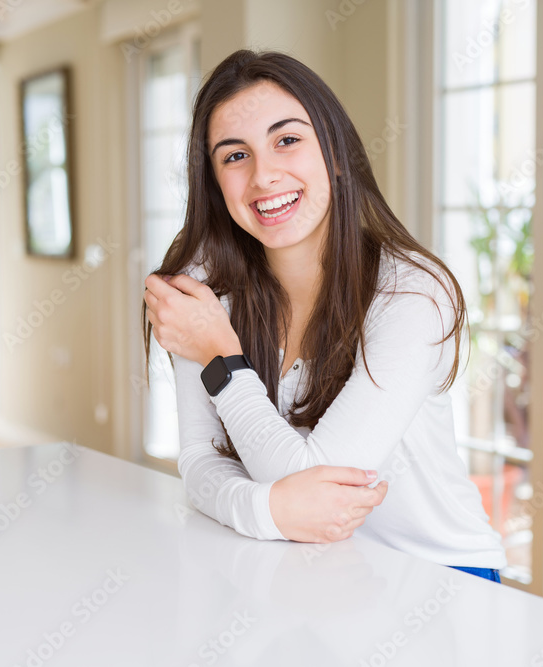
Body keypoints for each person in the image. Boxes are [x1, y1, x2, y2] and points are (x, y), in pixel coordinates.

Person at [142, 49, 506, 583]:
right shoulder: (206, 288)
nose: (264, 176)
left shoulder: (411, 293)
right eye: (234, 156)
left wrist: (221, 357)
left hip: (440, 577)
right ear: (215, 183)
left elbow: (317, 479)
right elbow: (200, 466)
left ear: (335, 153)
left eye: (287, 140)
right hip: (305, 568)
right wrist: (269, 511)